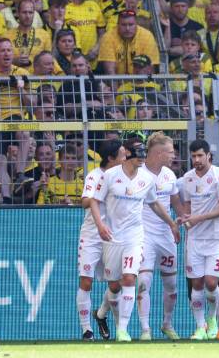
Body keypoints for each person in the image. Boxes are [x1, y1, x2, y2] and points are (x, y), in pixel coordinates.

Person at [89, 137, 180, 342]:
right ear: (128, 154)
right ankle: (102, 314)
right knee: (114, 285)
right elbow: (94, 202)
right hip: (112, 237)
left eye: (143, 155)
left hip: (135, 236)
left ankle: (123, 330)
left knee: (131, 278)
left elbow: (154, 204)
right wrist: (100, 226)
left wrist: (172, 223)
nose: (142, 159)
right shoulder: (110, 176)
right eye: (138, 155)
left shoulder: (146, 179)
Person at [179, 139, 219, 340]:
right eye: (193, 156)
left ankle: (212, 319)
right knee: (197, 284)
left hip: (216, 239)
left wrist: (197, 218)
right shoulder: (187, 179)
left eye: (200, 155)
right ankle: (200, 327)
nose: (197, 160)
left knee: (212, 282)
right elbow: (187, 206)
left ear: (209, 155)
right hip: (194, 239)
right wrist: (184, 219)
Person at [137, 132, 185, 341]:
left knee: (171, 284)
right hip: (144, 234)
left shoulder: (169, 175)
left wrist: (183, 218)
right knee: (143, 281)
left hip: (166, 235)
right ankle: (145, 329)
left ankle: (167, 323)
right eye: (170, 152)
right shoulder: (138, 173)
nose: (173, 156)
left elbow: (174, 200)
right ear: (158, 153)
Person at [77, 140, 126, 341]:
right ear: (111, 158)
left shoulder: (124, 177)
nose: (126, 157)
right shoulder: (94, 176)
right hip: (91, 236)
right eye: (122, 155)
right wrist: (99, 194)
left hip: (113, 237)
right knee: (86, 282)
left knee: (117, 284)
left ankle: (102, 315)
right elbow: (85, 202)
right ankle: (86, 330)